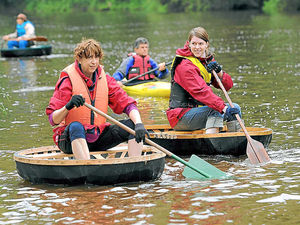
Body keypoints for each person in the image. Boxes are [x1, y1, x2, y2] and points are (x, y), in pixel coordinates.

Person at [46, 39, 149, 160]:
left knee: (132, 125)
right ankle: (86, 168)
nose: (93, 62)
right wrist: (68, 106)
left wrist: (139, 123)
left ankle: (134, 165)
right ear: (79, 59)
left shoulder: (105, 79)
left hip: (97, 137)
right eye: (89, 57)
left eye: (96, 57)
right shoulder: (67, 80)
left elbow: (127, 104)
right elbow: (53, 119)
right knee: (76, 126)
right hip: (70, 139)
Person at [166, 27, 241, 134]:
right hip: (180, 117)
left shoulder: (206, 61)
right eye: (194, 44)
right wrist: (224, 108)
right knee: (216, 109)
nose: (197, 47)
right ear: (189, 44)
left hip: (198, 112)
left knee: (235, 108)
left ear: (206, 44)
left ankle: (234, 139)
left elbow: (227, 86)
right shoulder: (184, 65)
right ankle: (212, 143)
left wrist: (219, 71)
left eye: (200, 44)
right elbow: (201, 92)